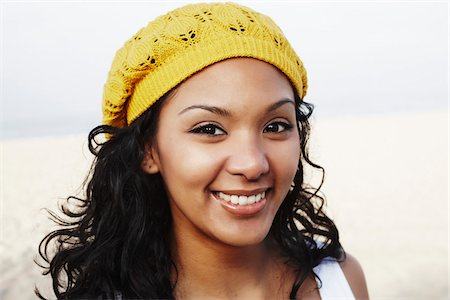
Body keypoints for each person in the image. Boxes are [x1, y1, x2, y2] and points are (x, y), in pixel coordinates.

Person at [36, 2, 369, 299]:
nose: (252, 164)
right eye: (209, 129)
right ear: (146, 150)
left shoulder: (341, 280)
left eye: (275, 126)